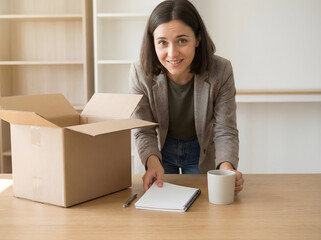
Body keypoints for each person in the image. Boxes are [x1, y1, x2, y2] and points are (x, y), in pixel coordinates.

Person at [129, 0, 244, 195]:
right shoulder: (140, 72)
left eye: (182, 40)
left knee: (204, 209)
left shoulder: (221, 70)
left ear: (198, 39)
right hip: (159, 150)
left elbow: (225, 129)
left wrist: (226, 166)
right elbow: (144, 130)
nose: (172, 53)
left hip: (201, 150)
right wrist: (152, 162)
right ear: (153, 42)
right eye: (162, 42)